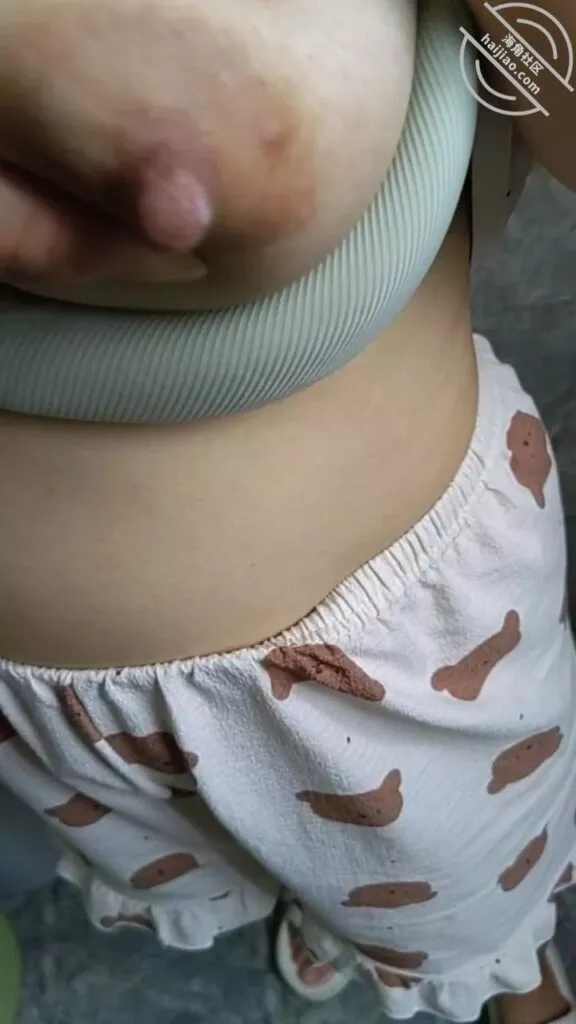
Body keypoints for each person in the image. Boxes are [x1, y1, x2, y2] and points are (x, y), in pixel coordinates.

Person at [0, 1, 575, 1022]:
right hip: (42, 709)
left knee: (457, 899)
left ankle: (516, 984)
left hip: (375, 672)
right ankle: (333, 905)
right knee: (199, 856)